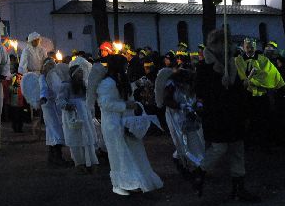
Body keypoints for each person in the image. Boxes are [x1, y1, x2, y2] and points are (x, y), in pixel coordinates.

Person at [191, 29, 260, 201]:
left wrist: (240, 87)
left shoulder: (233, 65)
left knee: (237, 150)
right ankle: (200, 171)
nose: (228, 46)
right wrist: (218, 86)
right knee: (219, 148)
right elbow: (200, 92)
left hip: (234, 114)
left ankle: (239, 188)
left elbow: (237, 91)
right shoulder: (205, 68)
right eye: (224, 43)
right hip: (217, 115)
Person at [96, 54, 163, 196]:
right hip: (113, 124)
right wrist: (125, 105)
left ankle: (134, 181)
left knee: (131, 153)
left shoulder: (120, 80)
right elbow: (105, 103)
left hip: (125, 122)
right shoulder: (107, 83)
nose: (127, 66)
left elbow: (124, 95)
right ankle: (119, 183)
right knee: (118, 155)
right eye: (124, 64)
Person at [234, 38, 285, 153]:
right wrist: (245, 80)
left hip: (261, 95)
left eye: (252, 47)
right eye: (247, 46)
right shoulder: (239, 60)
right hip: (246, 96)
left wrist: (253, 81)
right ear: (243, 47)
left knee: (263, 119)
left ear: (255, 47)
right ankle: (248, 144)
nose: (250, 49)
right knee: (248, 120)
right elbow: (239, 75)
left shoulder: (263, 60)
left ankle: (264, 144)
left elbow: (269, 75)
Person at [58, 63, 99, 173]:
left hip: (85, 115)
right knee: (76, 139)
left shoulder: (83, 85)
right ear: (74, 74)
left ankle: (91, 161)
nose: (81, 74)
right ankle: (79, 163)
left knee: (87, 137)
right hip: (72, 115)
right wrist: (67, 106)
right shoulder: (66, 85)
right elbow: (60, 100)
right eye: (79, 72)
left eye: (82, 72)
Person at [164, 68, 205, 175]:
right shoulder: (172, 84)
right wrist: (181, 106)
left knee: (193, 140)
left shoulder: (192, 85)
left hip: (189, 115)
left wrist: (198, 106)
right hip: (175, 116)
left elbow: (198, 99)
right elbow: (167, 100)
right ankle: (182, 162)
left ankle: (195, 164)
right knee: (180, 140)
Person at [39, 58, 70, 166]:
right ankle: (56, 157)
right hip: (48, 106)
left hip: (55, 106)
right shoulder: (43, 77)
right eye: (49, 65)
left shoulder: (54, 76)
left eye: (53, 64)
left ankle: (53, 156)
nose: (51, 67)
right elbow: (43, 89)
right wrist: (43, 97)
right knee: (54, 129)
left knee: (55, 130)